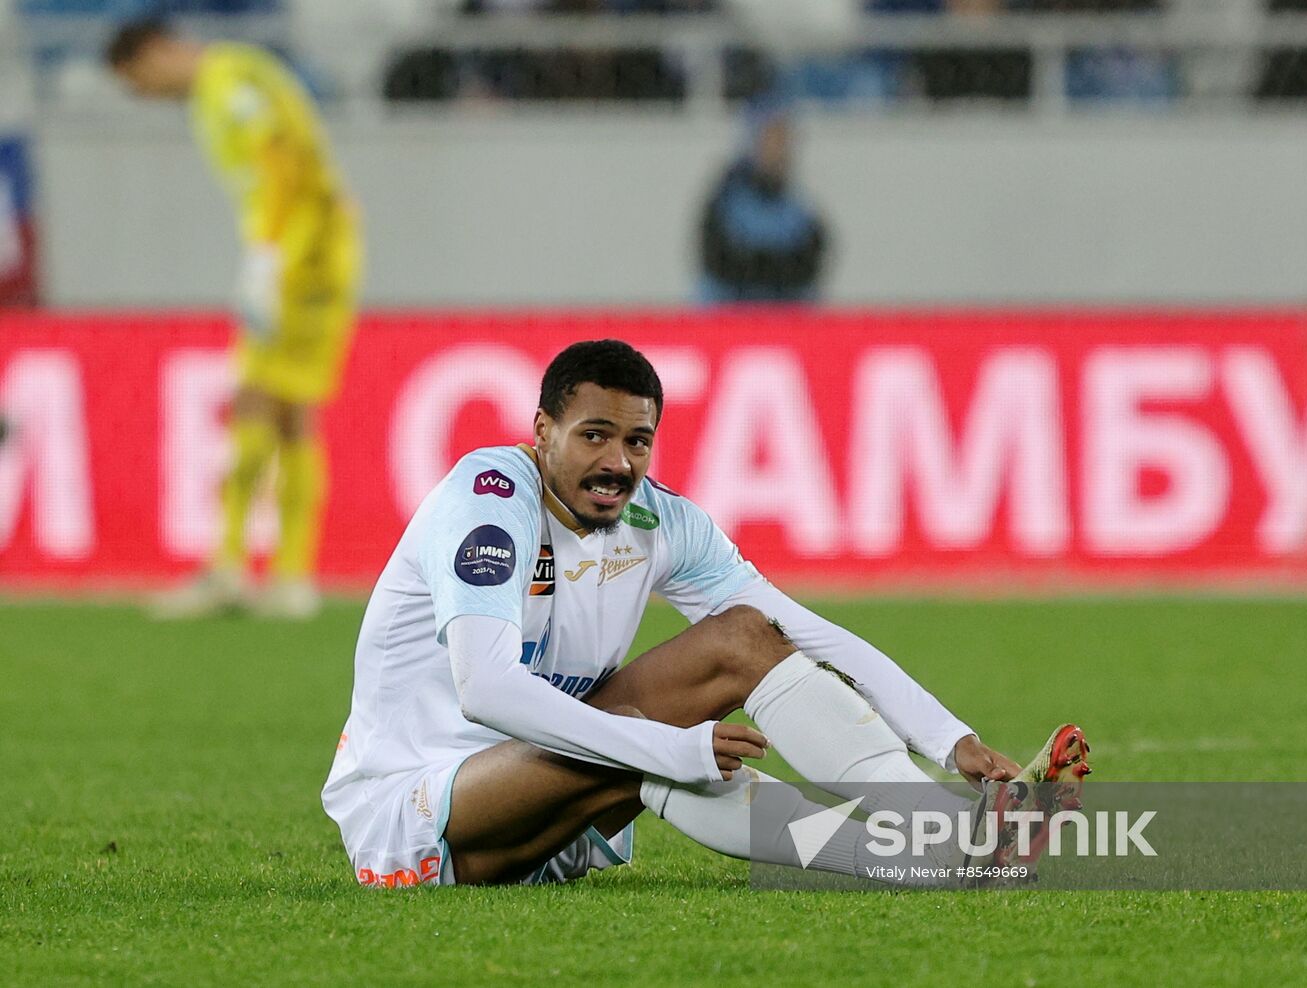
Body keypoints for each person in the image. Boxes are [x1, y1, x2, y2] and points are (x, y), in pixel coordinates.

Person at [322, 339, 1091, 887]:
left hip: (555, 804)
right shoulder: (488, 503)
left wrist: (944, 735)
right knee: (660, 741)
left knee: (745, 638)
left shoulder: (660, 521)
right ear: (542, 430)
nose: (618, 463)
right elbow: (485, 690)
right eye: (594, 435)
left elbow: (804, 636)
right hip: (421, 812)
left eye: (637, 441)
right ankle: (949, 853)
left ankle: (943, 841)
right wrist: (665, 747)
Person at [107, 19, 361, 619]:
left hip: (305, 254)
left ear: (155, 53)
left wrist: (269, 256)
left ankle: (245, 569)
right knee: (284, 409)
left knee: (265, 403)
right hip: (315, 250)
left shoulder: (226, 83)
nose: (143, 96)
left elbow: (280, 162)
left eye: (137, 81)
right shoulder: (239, 73)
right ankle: (280, 573)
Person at [697, 100, 828, 304]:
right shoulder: (725, 202)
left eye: (784, 141)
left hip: (784, 317)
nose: (780, 150)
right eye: (772, 139)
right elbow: (718, 262)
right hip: (728, 315)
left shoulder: (799, 210)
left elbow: (809, 265)